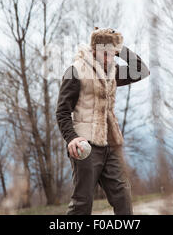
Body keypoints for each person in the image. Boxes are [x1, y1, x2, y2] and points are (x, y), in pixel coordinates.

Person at [55, 27, 150, 215]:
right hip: (85, 145)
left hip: (110, 144)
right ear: (94, 50)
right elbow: (62, 111)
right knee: (83, 202)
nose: (107, 59)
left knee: (123, 195)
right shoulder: (76, 71)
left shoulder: (113, 71)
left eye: (111, 54)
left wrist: (119, 46)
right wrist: (72, 138)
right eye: (103, 53)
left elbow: (141, 70)